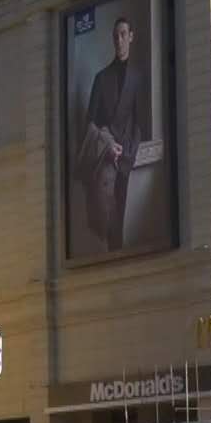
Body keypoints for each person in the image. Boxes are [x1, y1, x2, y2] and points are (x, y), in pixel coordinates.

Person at [78, 16, 151, 251]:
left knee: (119, 218)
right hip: (104, 158)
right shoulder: (101, 78)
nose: (119, 40)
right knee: (106, 220)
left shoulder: (138, 78)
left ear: (131, 37)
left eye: (123, 35)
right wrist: (108, 143)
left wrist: (128, 153)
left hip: (125, 159)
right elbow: (90, 121)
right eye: (115, 36)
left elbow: (140, 122)